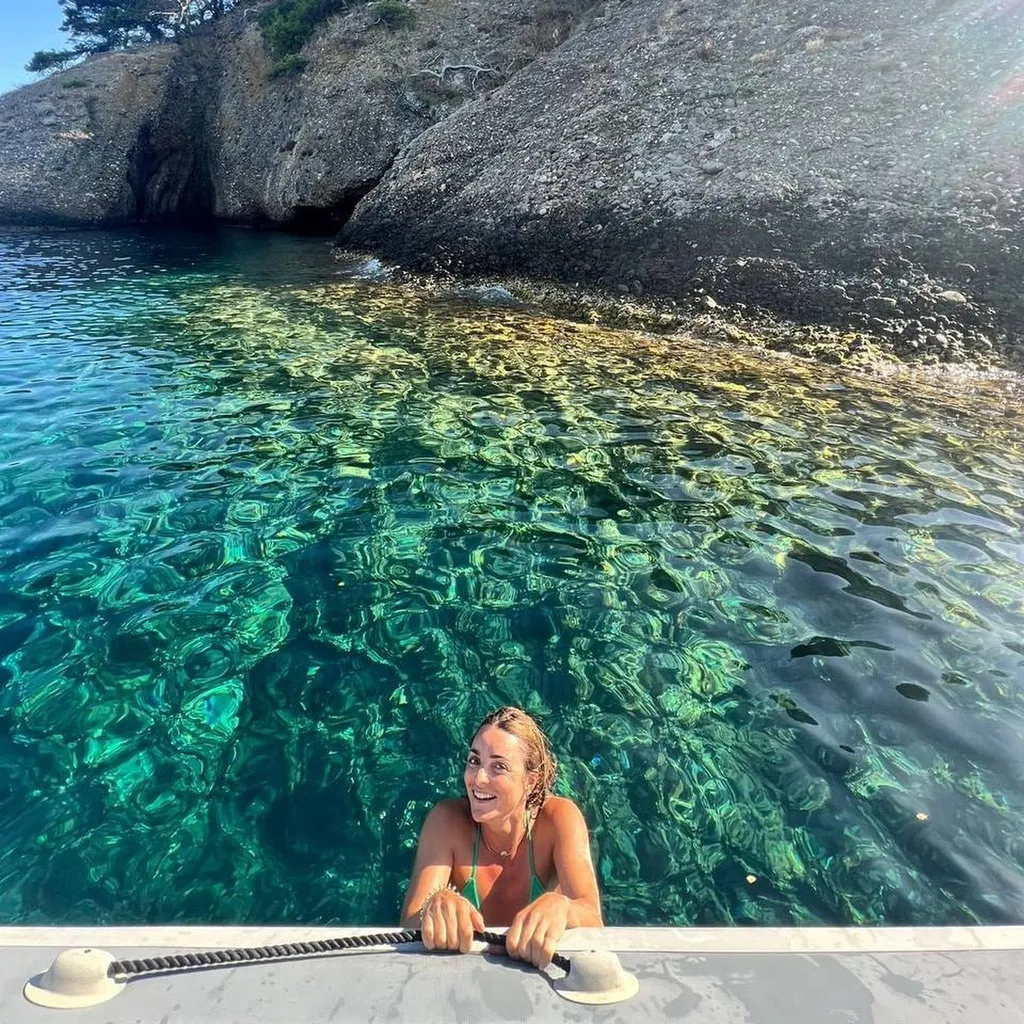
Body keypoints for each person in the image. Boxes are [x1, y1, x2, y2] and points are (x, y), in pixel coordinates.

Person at [400, 706, 603, 969]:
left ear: (531, 781)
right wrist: (434, 905)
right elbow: (409, 923)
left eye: (498, 766)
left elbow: (592, 917)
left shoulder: (558, 820)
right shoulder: (447, 821)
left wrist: (563, 908)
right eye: (474, 761)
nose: (478, 778)